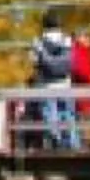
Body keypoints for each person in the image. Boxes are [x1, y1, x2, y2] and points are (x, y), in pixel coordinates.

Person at [31, 14, 79, 152]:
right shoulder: (67, 40)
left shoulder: (38, 42)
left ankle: (55, 143)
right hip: (65, 84)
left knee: (50, 115)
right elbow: (73, 63)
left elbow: (34, 62)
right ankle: (73, 143)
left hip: (46, 85)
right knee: (69, 114)